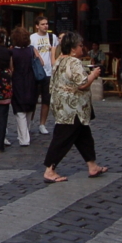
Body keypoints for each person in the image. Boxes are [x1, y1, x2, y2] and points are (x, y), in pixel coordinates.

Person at [42, 31, 107, 182]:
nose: (82, 48)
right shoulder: (74, 62)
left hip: (63, 106)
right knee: (62, 138)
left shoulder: (59, 60)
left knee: (84, 137)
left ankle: (92, 166)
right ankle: (49, 170)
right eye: (80, 45)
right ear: (72, 48)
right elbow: (83, 83)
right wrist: (94, 74)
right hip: (72, 108)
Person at [9, 27, 39, 147]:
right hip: (31, 81)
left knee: (20, 110)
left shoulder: (12, 52)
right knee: (29, 107)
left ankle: (24, 138)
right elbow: (40, 63)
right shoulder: (31, 50)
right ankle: (25, 133)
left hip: (18, 81)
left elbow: (11, 69)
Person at [30, 16, 59, 135]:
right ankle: (29, 122)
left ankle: (42, 124)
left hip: (49, 72)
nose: (45, 26)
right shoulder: (32, 38)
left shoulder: (53, 37)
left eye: (46, 24)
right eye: (42, 24)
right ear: (37, 26)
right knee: (33, 100)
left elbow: (57, 52)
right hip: (36, 72)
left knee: (46, 100)